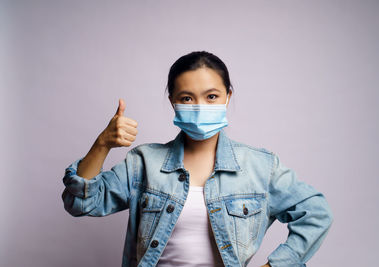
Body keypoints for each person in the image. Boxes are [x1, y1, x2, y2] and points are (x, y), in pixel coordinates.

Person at [61, 51, 333, 267]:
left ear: (228, 96)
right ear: (173, 102)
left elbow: (316, 213)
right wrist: (102, 144)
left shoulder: (260, 166)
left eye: (211, 96)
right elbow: (80, 203)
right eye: (187, 98)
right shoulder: (144, 162)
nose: (200, 106)